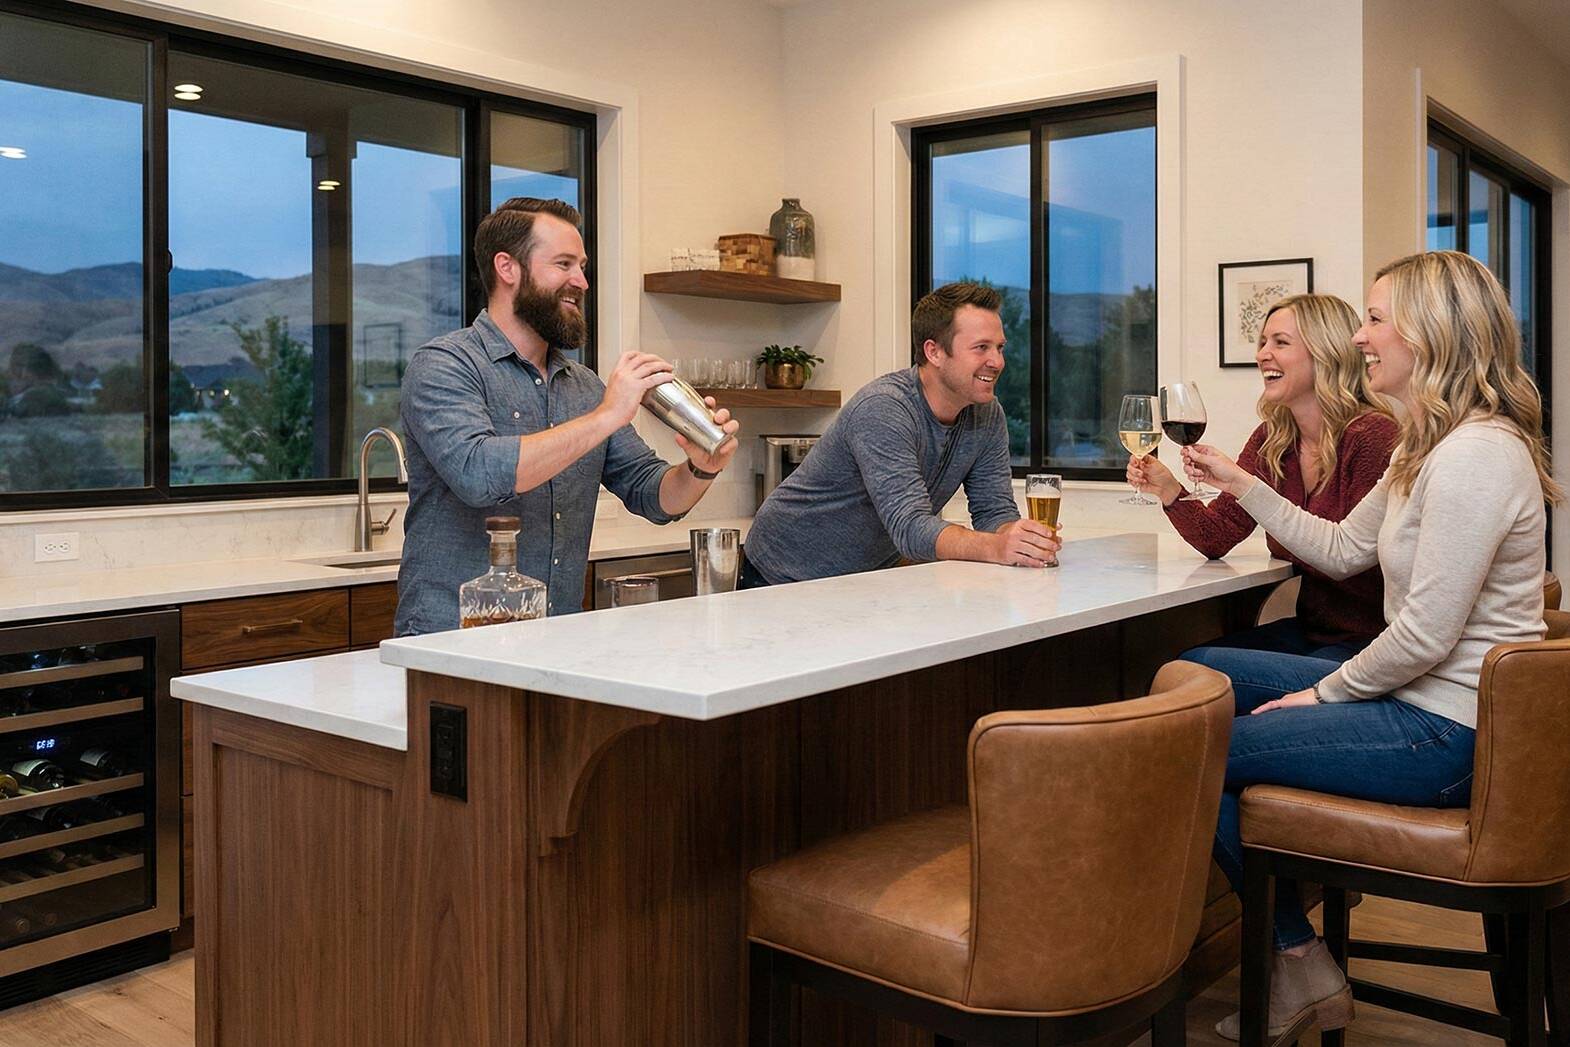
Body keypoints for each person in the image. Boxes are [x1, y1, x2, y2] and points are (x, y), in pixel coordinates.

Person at [1181, 251, 1560, 1041]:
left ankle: (1293, 957)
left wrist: (1321, 692)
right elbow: (1343, 548)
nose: (1360, 336)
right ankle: (1300, 958)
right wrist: (1242, 483)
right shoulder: (1427, 444)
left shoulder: (1476, 454)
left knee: (1193, 750)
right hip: (1428, 704)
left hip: (1448, 730)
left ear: (1430, 333)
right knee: (1198, 686)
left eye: (1377, 318)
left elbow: (1423, 635)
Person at [394, 197, 739, 635]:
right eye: (563, 264)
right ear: (508, 268)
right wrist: (607, 414)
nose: (581, 281)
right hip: (452, 639)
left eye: (581, 265)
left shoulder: (584, 386)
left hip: (557, 636)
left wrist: (700, 468)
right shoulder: (444, 365)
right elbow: (479, 473)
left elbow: (652, 494)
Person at [1128, 294, 1397, 661]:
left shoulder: (1372, 437)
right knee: (1181, 659)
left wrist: (1241, 483)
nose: (1262, 354)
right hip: (1312, 634)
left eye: (1280, 343)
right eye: (1262, 342)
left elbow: (1342, 557)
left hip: (1372, 648)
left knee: (1198, 668)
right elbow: (1217, 536)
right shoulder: (1274, 439)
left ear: (1326, 353)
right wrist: (1170, 490)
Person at [739, 282, 1059, 587]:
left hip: (861, 579)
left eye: (1000, 347)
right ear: (933, 352)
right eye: (981, 348)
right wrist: (995, 548)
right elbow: (910, 527)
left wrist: (1020, 538)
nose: (998, 361)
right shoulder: (884, 408)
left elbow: (993, 511)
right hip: (780, 573)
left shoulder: (987, 414)